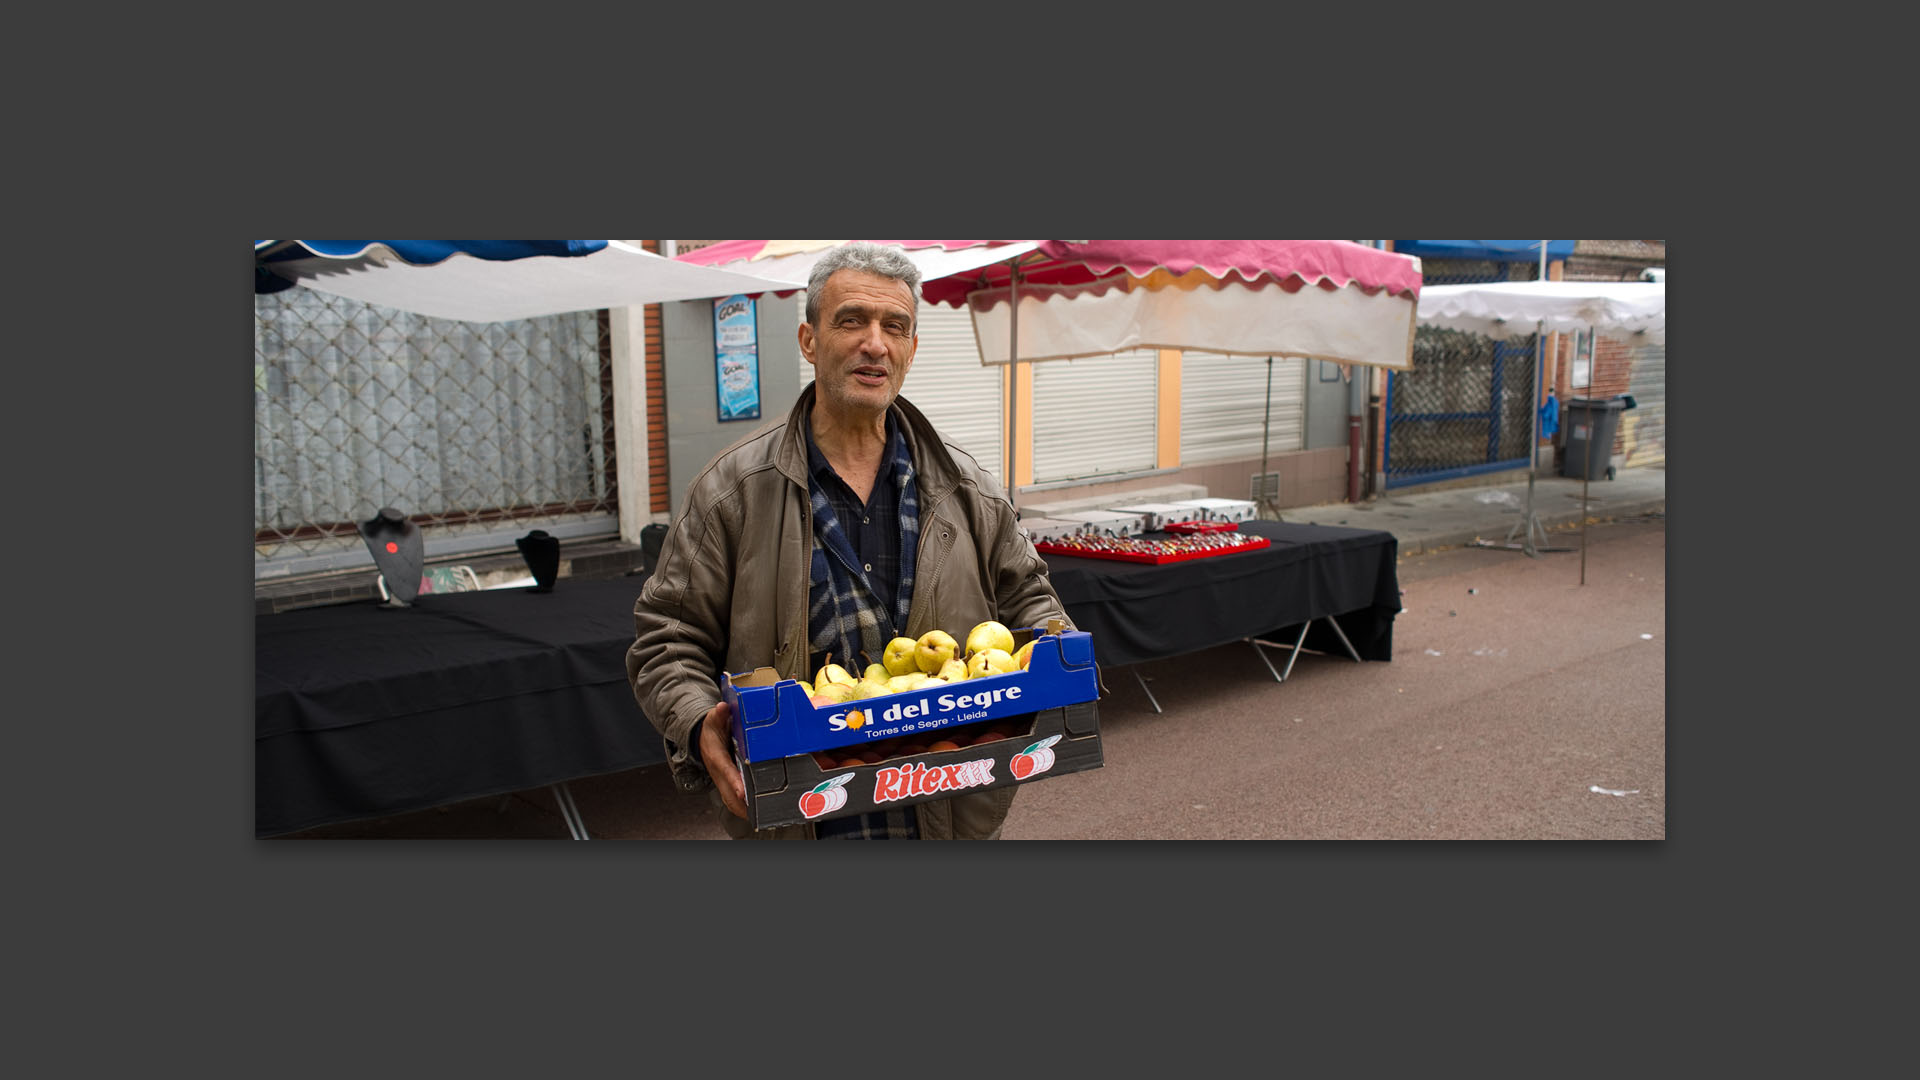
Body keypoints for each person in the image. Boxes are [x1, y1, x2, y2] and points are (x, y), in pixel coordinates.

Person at [625, 243, 1073, 840]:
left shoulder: (970, 489)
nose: (876, 344)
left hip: (945, 812)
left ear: (912, 348)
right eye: (852, 320)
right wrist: (696, 720)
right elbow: (667, 639)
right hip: (802, 818)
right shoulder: (731, 492)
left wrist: (1057, 654)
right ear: (810, 340)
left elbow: (1032, 602)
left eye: (896, 326)